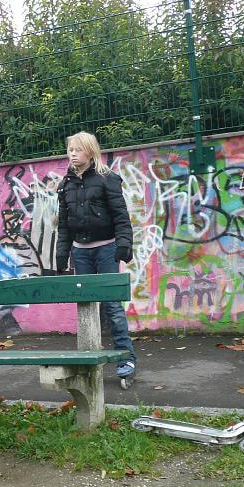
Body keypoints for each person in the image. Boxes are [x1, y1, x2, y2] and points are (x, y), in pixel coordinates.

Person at [55, 131, 137, 380]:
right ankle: (89, 358)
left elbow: (121, 216)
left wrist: (124, 245)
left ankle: (126, 358)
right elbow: (64, 225)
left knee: (112, 305)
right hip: (81, 253)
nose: (72, 154)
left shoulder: (107, 179)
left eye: (77, 150)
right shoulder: (66, 184)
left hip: (106, 250)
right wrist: (62, 255)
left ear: (90, 152)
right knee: (86, 306)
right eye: (70, 150)